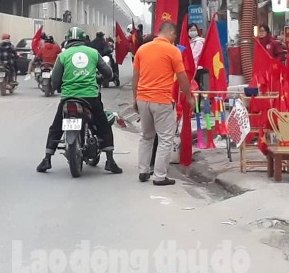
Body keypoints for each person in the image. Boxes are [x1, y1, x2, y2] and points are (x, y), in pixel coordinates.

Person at [36, 27, 122, 174]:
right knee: (103, 125)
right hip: (91, 97)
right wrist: (105, 78)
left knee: (56, 127)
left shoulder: (63, 56)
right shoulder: (93, 53)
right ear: (84, 40)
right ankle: (110, 161)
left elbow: (55, 79)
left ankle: (46, 160)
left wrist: (57, 88)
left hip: (68, 97)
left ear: (68, 40)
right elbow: (108, 73)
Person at [133, 22, 194, 186]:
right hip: (161, 100)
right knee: (165, 139)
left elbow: (135, 77)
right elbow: (182, 77)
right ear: (171, 33)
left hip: (143, 99)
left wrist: (135, 99)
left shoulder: (142, 49)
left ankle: (143, 170)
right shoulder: (172, 51)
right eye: (174, 36)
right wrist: (189, 97)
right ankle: (159, 176)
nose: (174, 39)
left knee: (146, 137)